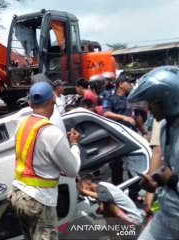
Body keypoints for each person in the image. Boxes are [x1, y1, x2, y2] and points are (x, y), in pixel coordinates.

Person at [7, 81, 81, 240]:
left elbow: (34, 156)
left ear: (29, 103)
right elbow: (72, 170)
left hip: (18, 195)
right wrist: (74, 145)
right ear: (54, 99)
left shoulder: (22, 124)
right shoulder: (52, 133)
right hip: (38, 200)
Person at [127, 66, 179, 239]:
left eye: (152, 102)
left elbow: (172, 175)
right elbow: (169, 166)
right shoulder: (166, 127)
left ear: (168, 100)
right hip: (167, 214)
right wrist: (156, 179)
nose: (149, 109)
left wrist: (170, 180)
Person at [103, 74, 148, 196]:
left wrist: (144, 132)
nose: (131, 85)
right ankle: (119, 194)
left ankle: (133, 193)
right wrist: (124, 117)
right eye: (129, 83)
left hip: (132, 136)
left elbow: (137, 116)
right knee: (116, 167)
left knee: (134, 165)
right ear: (121, 84)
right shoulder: (110, 99)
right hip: (116, 138)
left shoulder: (132, 99)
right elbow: (106, 113)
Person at [77, 174, 143, 225]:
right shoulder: (101, 188)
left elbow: (107, 198)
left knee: (108, 206)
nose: (81, 192)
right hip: (128, 218)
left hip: (134, 220)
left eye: (84, 188)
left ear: (89, 184)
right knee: (104, 209)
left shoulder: (101, 187)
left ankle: (114, 234)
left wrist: (84, 191)